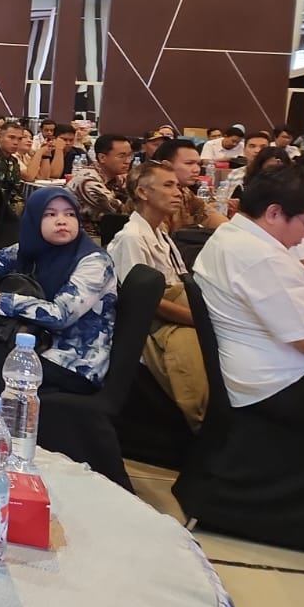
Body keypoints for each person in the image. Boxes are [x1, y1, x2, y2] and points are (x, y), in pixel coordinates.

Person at [192, 165, 304, 429]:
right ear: (274, 213)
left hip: (264, 372)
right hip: (282, 383)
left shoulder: (232, 234)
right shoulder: (261, 257)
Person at [0, 187, 118, 398]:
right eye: (50, 214)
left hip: (72, 364)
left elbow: (61, 315)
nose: (62, 221)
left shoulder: (94, 262)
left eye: (70, 214)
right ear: (34, 220)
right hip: (33, 345)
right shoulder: (32, 247)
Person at [107, 162, 205, 430]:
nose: (178, 192)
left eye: (178, 186)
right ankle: (200, 420)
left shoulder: (161, 234)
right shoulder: (131, 237)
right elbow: (141, 301)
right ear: (143, 193)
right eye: (168, 185)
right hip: (150, 326)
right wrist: (197, 319)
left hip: (176, 314)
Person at [66, 132, 135, 242]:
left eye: (130, 155)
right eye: (121, 156)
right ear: (102, 158)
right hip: (83, 239)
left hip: (108, 234)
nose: (128, 161)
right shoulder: (87, 181)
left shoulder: (116, 177)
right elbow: (122, 212)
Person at [153, 137, 227, 231]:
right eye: (189, 163)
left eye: (198, 164)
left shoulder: (185, 191)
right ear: (166, 165)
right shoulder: (153, 194)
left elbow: (211, 217)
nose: (197, 170)